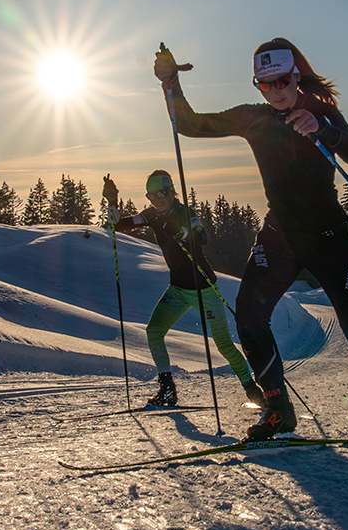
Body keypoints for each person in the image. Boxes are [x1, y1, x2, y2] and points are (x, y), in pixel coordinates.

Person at [153, 39, 348, 447]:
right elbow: (189, 125)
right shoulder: (253, 119)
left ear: (297, 75)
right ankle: (278, 410)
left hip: (328, 237)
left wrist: (323, 129)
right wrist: (169, 84)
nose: (274, 91)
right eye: (264, 84)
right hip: (279, 236)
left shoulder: (320, 110)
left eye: (282, 81)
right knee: (250, 319)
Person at [103, 170, 259, 407]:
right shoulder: (151, 215)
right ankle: (167, 390)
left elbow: (201, 236)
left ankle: (252, 389)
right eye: (151, 195)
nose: (156, 199)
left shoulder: (185, 212)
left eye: (161, 193)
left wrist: (183, 232)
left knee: (224, 344)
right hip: (177, 289)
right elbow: (119, 225)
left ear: (171, 191)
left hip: (204, 289)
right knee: (154, 331)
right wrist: (113, 202)